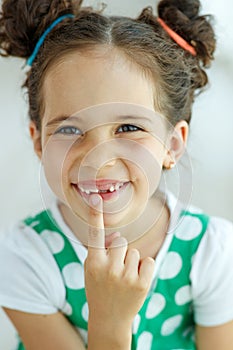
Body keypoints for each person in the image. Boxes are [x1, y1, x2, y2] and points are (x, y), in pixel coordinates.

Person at [0, 0, 233, 349]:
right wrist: (110, 319)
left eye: (128, 127)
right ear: (39, 142)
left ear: (172, 144)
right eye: (68, 130)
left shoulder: (212, 252)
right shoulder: (23, 258)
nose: (98, 159)